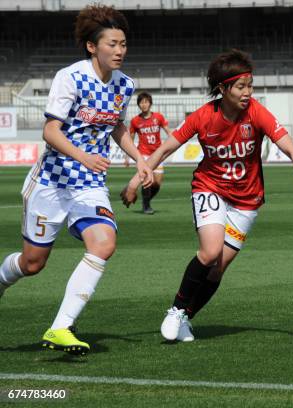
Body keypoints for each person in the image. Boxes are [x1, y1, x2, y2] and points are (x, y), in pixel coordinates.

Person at [120, 49, 293, 342]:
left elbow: (292, 150)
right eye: (240, 86)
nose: (247, 92)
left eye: (250, 85)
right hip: (210, 187)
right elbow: (165, 149)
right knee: (211, 251)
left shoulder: (257, 112)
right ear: (222, 88)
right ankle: (176, 309)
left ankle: (186, 319)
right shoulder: (203, 117)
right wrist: (133, 181)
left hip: (247, 200)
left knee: (217, 271)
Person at [0, 5, 152, 355]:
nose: (119, 50)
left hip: (89, 184)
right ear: (91, 46)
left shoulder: (125, 85)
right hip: (52, 181)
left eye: (124, 43)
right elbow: (50, 131)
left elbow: (116, 125)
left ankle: (61, 327)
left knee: (103, 244)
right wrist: (83, 155)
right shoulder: (70, 77)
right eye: (112, 43)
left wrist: (140, 157)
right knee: (32, 263)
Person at [128, 92, 173, 214]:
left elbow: (168, 131)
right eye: (141, 102)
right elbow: (130, 139)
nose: (144, 104)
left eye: (146, 102)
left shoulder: (158, 117)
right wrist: (127, 156)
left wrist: (174, 140)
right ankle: (146, 205)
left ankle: (146, 201)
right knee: (148, 180)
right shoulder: (135, 121)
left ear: (150, 103)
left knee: (157, 183)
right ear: (138, 105)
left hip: (157, 154)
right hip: (144, 154)